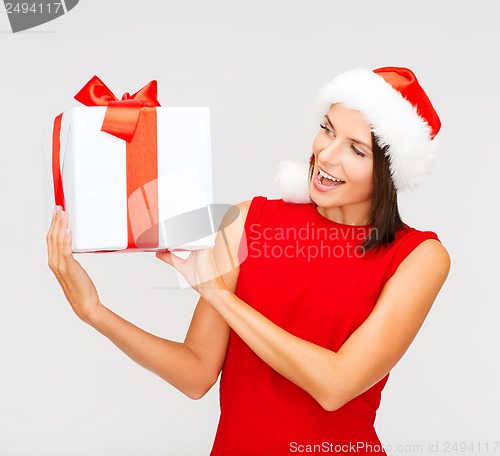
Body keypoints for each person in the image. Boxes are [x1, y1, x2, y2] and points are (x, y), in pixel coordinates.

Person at [47, 66, 451, 455]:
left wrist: (219, 296)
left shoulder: (418, 257)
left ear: (389, 170)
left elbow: (335, 386)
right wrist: (95, 312)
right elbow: (196, 374)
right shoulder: (247, 221)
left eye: (356, 149)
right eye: (327, 129)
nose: (326, 155)